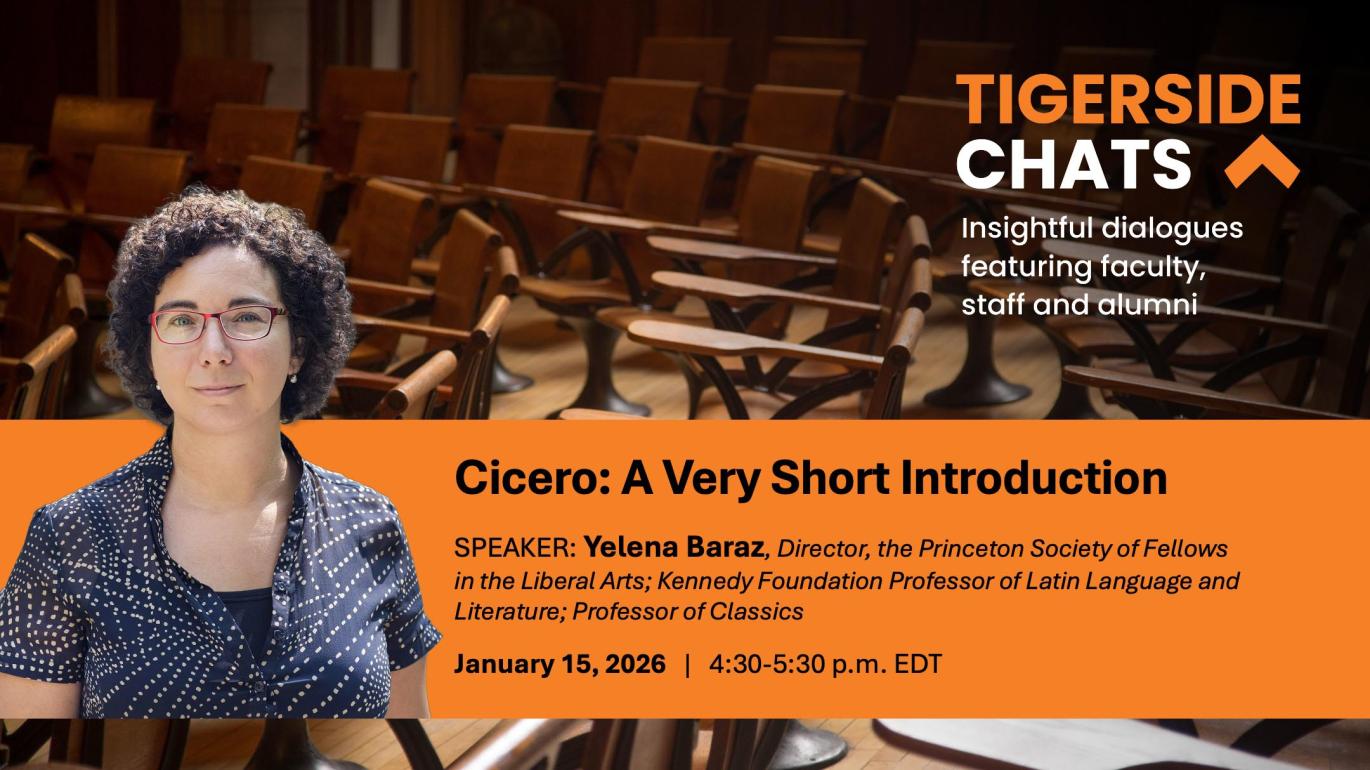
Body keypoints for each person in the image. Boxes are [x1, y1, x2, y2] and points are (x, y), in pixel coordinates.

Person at [0, 186, 440, 717]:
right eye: (182, 321)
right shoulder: (68, 535)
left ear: (298, 347)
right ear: (150, 352)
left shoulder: (373, 522)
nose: (214, 352)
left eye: (247, 317)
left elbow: (410, 730)